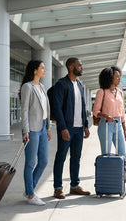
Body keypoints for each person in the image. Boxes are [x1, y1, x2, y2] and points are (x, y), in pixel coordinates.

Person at [52, 57, 90, 199]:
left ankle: (74, 186)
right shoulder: (61, 84)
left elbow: (83, 106)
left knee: (76, 158)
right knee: (61, 157)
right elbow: (57, 108)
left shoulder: (80, 85)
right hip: (67, 128)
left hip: (79, 129)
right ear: (70, 67)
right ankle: (58, 188)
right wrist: (62, 128)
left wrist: (85, 125)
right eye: (79, 65)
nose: (81, 67)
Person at [92, 66, 126, 194]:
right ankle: (106, 185)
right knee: (106, 155)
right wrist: (106, 116)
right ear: (110, 78)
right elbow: (95, 112)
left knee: (123, 155)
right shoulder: (102, 92)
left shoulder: (120, 93)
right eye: (117, 76)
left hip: (118, 125)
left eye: (119, 76)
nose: (119, 78)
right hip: (106, 124)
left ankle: (122, 185)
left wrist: (125, 130)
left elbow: (122, 114)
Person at [19, 60, 51, 206]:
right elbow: (24, 110)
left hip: (43, 127)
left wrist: (48, 128)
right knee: (31, 163)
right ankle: (31, 194)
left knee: (44, 161)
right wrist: (25, 130)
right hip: (31, 129)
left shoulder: (42, 87)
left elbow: (46, 109)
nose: (44, 70)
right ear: (34, 70)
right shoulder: (28, 87)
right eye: (42, 68)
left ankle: (29, 189)